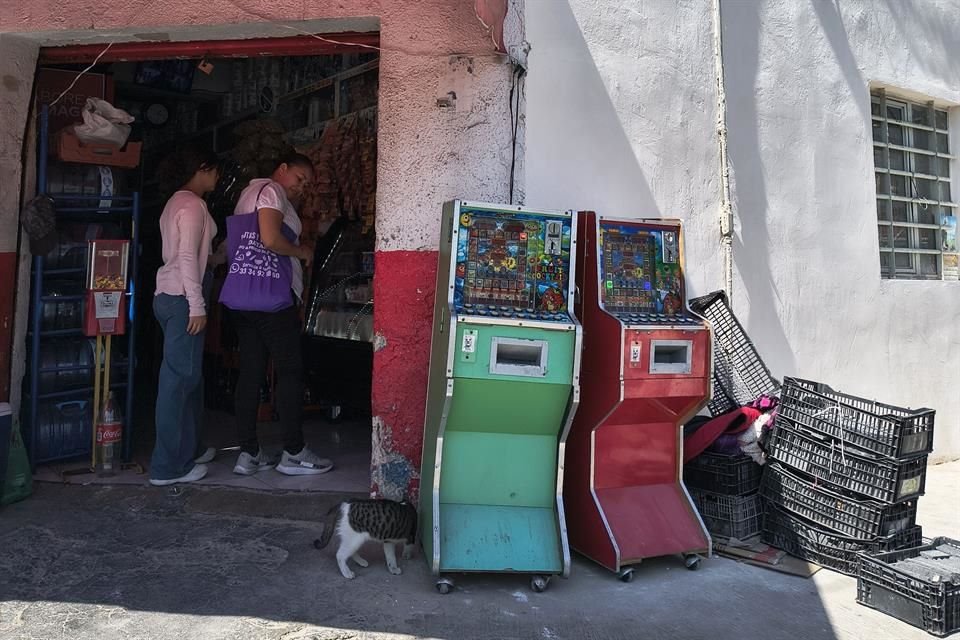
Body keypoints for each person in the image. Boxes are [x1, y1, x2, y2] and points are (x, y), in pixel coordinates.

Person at [225, 153, 334, 476]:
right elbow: (271, 239)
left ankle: (249, 453)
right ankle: (294, 451)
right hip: (271, 299)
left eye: (307, 185)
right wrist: (302, 251)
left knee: (251, 371)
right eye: (299, 178)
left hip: (243, 299)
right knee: (290, 371)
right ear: (282, 169)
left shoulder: (248, 193)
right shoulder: (272, 191)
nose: (301, 187)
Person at [149, 147, 220, 486]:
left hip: (168, 295)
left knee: (189, 377)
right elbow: (188, 259)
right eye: (215, 171)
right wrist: (197, 304)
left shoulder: (175, 202)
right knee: (178, 382)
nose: (217, 178)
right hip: (182, 297)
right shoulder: (193, 205)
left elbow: (190, 254)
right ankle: (168, 467)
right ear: (202, 168)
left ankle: (189, 449)